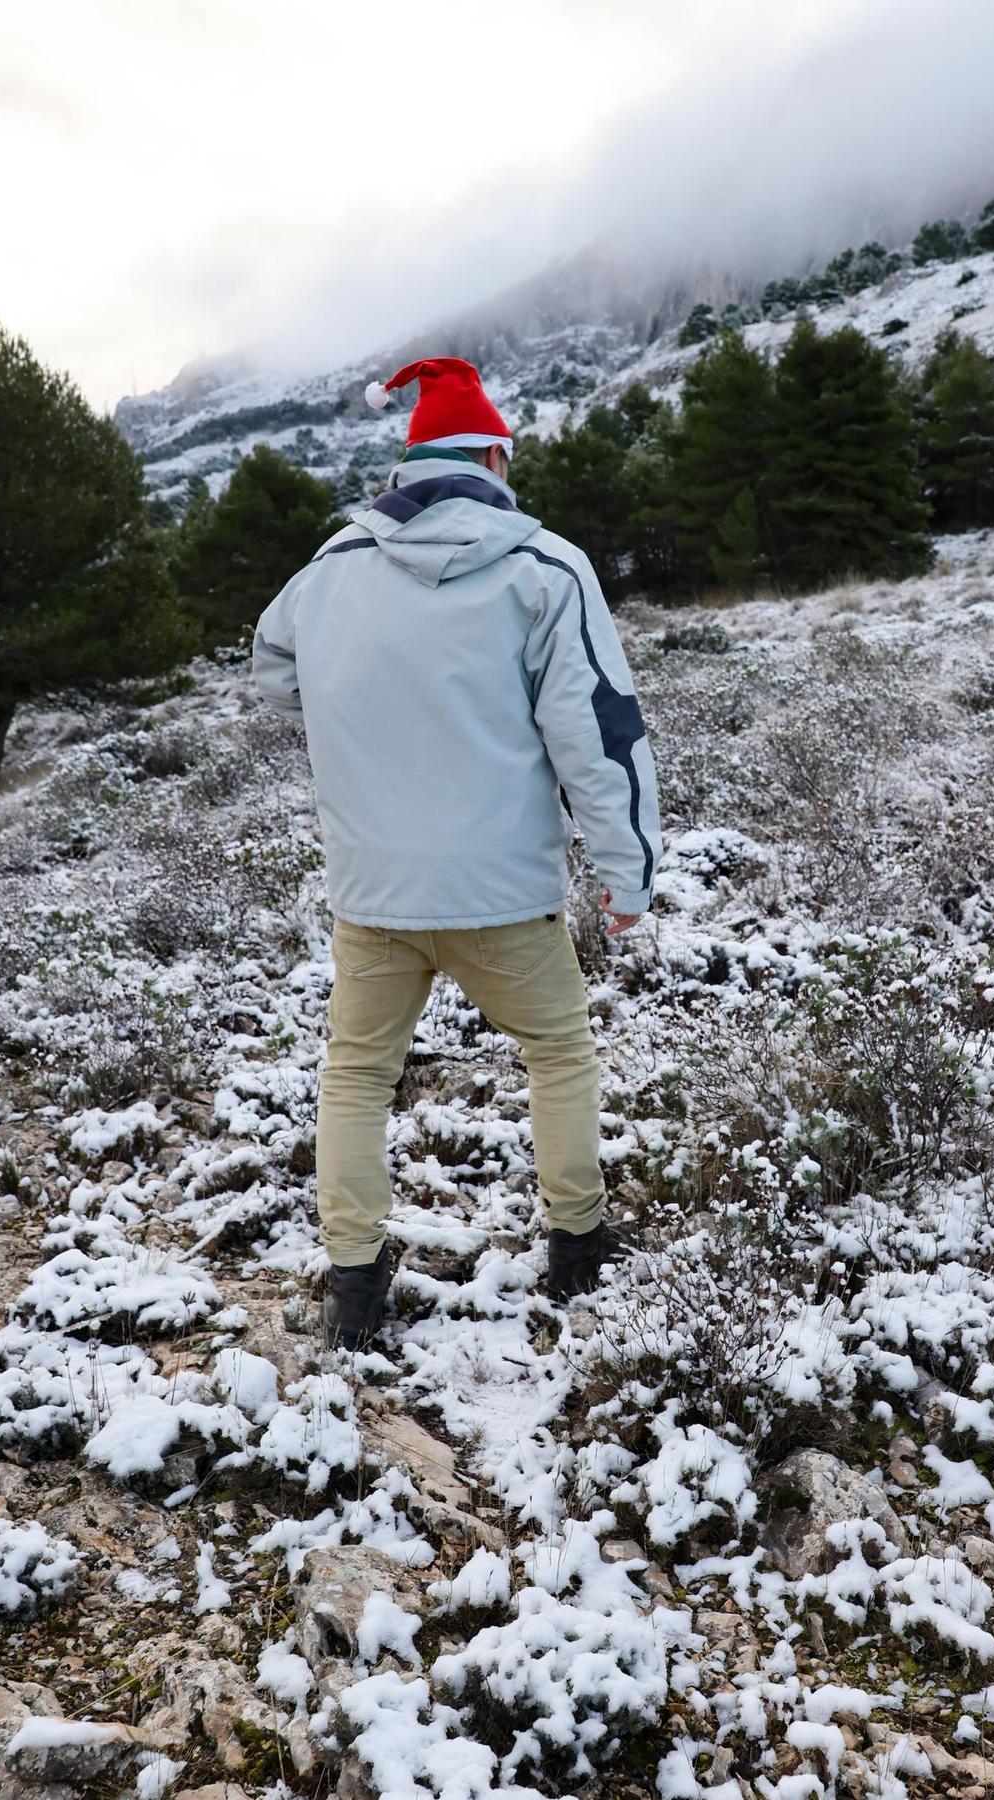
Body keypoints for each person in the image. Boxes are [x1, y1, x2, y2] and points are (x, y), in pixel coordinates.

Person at [252, 356, 662, 1350]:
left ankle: (355, 1281)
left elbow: (273, 678)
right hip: (501, 892)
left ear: (407, 462)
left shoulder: (322, 577)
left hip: (372, 892)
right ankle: (576, 1246)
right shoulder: (544, 569)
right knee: (558, 1049)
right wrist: (626, 873)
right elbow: (597, 736)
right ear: (493, 453)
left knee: (355, 1074)